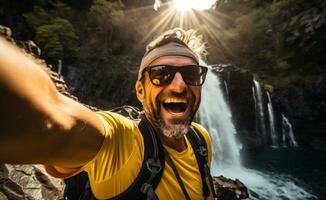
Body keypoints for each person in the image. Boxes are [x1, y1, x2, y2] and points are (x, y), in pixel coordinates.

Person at [0, 28, 214, 199]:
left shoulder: (200, 140)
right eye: (161, 74)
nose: (179, 86)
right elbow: (56, 121)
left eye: (191, 74)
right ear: (140, 90)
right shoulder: (123, 141)